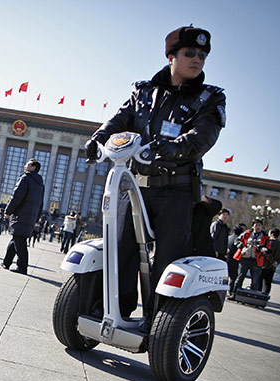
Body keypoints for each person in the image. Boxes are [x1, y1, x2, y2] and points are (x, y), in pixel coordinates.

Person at [84, 26, 225, 331]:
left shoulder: (209, 98)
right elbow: (120, 119)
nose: (198, 59)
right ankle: (115, 312)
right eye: (190, 53)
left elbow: (203, 136)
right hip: (134, 187)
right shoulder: (144, 92)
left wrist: (166, 148)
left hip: (176, 191)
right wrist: (99, 139)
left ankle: (157, 324)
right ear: (171, 56)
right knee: (120, 250)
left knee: (167, 261)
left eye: (202, 55)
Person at [1, 159, 44, 274]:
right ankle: (6, 262)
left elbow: (16, 196)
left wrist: (8, 211)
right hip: (30, 216)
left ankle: (22, 267)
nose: (25, 166)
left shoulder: (25, 179)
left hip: (21, 214)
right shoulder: (40, 184)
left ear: (33, 167)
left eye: (28, 164)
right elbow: (41, 203)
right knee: (16, 238)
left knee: (19, 241)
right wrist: (37, 217)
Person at [230, 218, 270, 298]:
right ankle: (234, 294)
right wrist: (240, 245)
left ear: (262, 227)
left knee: (255, 280)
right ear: (252, 226)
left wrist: (263, 249)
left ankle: (252, 297)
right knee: (240, 277)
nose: (257, 227)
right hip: (245, 258)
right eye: (256, 225)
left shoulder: (265, 237)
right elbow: (237, 240)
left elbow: (268, 249)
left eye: (259, 225)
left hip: (256, 260)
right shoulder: (247, 233)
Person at [260, 228, 280, 295]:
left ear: (272, 234)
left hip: (265, 265)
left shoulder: (270, 242)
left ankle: (258, 295)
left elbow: (267, 254)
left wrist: (272, 262)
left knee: (260, 280)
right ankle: (265, 295)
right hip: (273, 267)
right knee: (268, 282)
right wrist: (276, 263)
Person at [226, 225, 244, 294]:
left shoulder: (229, 238)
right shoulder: (238, 240)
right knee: (233, 277)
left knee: (225, 276)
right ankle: (231, 290)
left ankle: (223, 288)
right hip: (234, 260)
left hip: (227, 258)